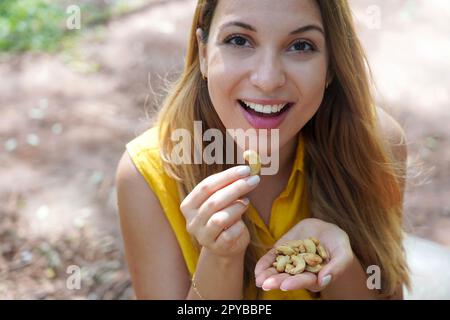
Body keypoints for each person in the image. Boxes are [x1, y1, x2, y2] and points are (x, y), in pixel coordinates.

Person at [115, 0, 410, 300]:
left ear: (331, 67)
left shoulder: (377, 145)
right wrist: (220, 258)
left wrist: (338, 267)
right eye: (239, 40)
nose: (268, 80)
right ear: (203, 54)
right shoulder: (146, 174)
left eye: (301, 46)